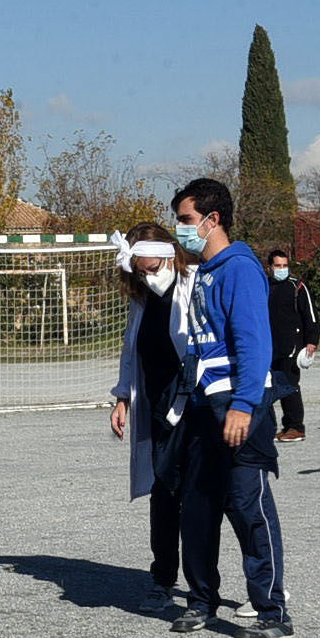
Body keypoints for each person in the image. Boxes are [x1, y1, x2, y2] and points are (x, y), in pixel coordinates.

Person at [168, 177, 291, 638]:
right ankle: (202, 599)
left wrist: (243, 405)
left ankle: (273, 611)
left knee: (248, 508)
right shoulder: (204, 270)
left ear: (212, 220)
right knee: (197, 509)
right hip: (202, 407)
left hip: (240, 410)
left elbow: (255, 342)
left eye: (185, 220)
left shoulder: (239, 268)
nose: (180, 229)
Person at [109, 228, 189, 612]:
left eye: (145, 266)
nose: (140, 275)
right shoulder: (141, 298)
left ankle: (216, 584)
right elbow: (130, 349)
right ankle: (162, 577)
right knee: (163, 493)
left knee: (202, 494)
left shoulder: (191, 287)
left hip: (193, 406)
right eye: (135, 270)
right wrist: (123, 397)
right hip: (153, 405)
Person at [264, 246, 320, 441]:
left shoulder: (297, 286)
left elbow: (311, 316)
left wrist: (312, 342)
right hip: (267, 348)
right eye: (278, 265)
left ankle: (296, 427)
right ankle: (269, 428)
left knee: (290, 387)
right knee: (267, 389)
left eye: (285, 265)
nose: (282, 269)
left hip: (292, 347)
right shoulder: (262, 286)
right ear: (269, 267)